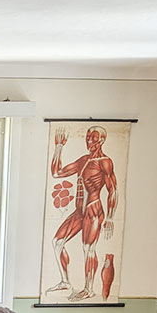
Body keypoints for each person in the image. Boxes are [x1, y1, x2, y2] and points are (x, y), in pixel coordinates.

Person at [46, 124, 119, 302]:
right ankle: (65, 281)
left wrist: (110, 217)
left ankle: (88, 288)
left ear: (102, 140)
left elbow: (113, 190)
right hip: (79, 211)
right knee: (57, 242)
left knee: (88, 249)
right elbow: (56, 173)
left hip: (93, 209)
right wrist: (59, 147)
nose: (90, 140)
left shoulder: (105, 162)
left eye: (94, 137)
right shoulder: (83, 160)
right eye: (88, 136)